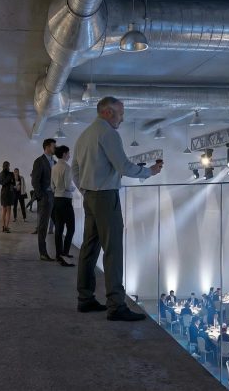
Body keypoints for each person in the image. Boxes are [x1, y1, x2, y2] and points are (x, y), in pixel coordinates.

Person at [73, 97, 162, 321]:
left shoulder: (84, 135)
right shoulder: (108, 133)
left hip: (90, 197)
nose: (122, 118)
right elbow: (123, 166)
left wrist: (85, 191)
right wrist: (150, 172)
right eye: (120, 114)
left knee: (89, 249)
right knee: (112, 251)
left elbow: (74, 169)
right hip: (105, 196)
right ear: (108, 112)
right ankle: (116, 305)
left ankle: (85, 298)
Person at [32, 138, 56, 261]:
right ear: (47, 147)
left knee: (57, 224)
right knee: (43, 226)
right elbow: (35, 181)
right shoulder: (39, 161)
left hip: (55, 196)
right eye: (53, 146)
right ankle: (43, 252)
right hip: (45, 196)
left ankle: (60, 253)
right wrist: (41, 195)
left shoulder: (55, 162)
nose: (55, 148)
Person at [50, 146, 75, 266]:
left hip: (56, 199)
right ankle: (65, 253)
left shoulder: (54, 167)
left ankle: (58, 254)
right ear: (64, 154)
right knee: (71, 228)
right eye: (68, 153)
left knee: (59, 229)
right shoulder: (67, 167)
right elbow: (68, 186)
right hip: (66, 200)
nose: (69, 155)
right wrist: (74, 188)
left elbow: (52, 186)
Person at [0, 162, 16, 233]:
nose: (9, 167)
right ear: (6, 166)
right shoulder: (7, 174)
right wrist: (9, 179)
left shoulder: (3, 174)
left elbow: (13, 183)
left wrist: (10, 181)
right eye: (8, 166)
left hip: (7, 192)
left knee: (6, 210)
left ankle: (5, 226)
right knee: (6, 210)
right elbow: (3, 183)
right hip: (6, 193)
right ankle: (5, 226)